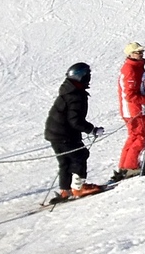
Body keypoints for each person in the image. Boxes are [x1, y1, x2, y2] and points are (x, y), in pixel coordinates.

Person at [44, 63, 105, 200]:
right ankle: (79, 188)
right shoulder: (75, 96)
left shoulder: (69, 90)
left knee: (65, 161)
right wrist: (92, 130)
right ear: (81, 78)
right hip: (64, 134)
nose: (89, 78)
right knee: (80, 155)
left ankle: (66, 190)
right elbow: (75, 121)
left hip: (54, 133)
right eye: (87, 76)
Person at [113, 43, 145, 180]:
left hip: (134, 109)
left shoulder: (135, 67)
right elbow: (130, 95)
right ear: (130, 54)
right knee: (140, 137)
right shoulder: (131, 69)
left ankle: (125, 166)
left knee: (134, 137)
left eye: (141, 51)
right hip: (135, 110)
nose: (140, 53)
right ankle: (131, 166)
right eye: (137, 52)